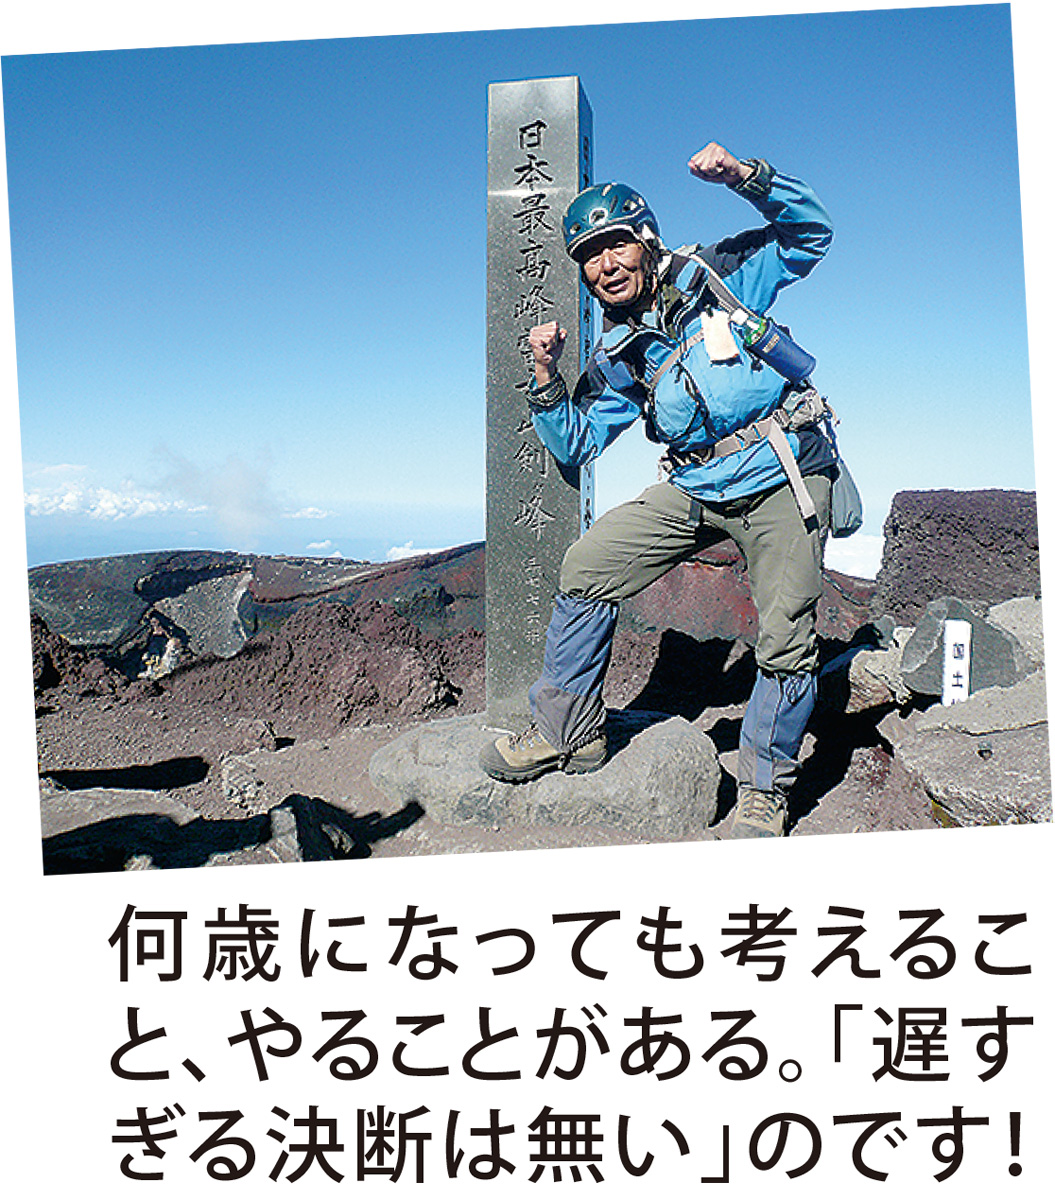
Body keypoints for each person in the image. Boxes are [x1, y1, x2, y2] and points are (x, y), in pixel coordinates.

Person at [480, 142, 838, 838]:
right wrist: (547, 377)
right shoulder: (619, 353)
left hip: (779, 473)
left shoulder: (721, 272)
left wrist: (744, 177)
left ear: (646, 241)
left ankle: (764, 788)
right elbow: (579, 443)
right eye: (588, 255)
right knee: (587, 568)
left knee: (785, 638)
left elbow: (809, 234)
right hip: (697, 483)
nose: (603, 265)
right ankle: (568, 731)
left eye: (614, 245)